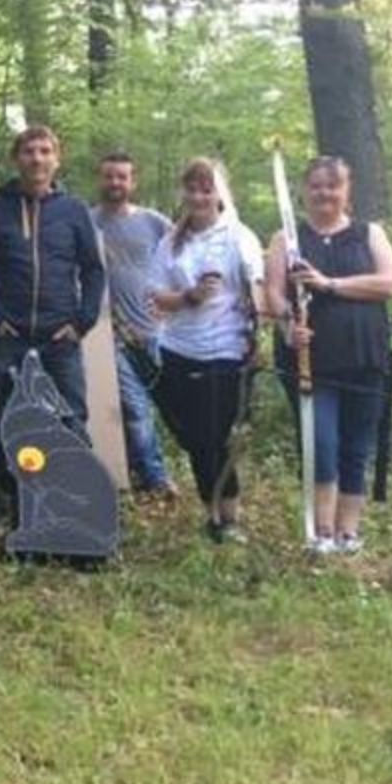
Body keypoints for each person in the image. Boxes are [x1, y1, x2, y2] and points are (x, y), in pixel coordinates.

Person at [0, 126, 105, 541]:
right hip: (7, 337)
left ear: (56, 159)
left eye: (45, 151)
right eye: (28, 151)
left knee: (70, 420)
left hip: (59, 339)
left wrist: (81, 321)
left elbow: (93, 270)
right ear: (16, 158)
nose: (37, 159)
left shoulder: (74, 211)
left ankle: (78, 513)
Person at [265, 156, 392, 554]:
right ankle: (321, 530)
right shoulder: (286, 239)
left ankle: (348, 532)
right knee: (321, 445)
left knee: (356, 446)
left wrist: (329, 284)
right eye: (316, 185)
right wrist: (288, 324)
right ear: (304, 191)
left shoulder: (369, 233)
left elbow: (388, 283)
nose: (324, 193)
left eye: (332, 185)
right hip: (310, 363)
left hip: (365, 356)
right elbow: (273, 293)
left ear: (346, 190)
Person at [147, 158, 264, 544]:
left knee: (213, 438)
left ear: (220, 194)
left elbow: (257, 292)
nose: (198, 197)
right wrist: (189, 296)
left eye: (206, 189)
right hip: (177, 349)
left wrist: (259, 329)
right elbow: (157, 296)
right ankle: (211, 513)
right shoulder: (171, 241)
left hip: (224, 352)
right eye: (192, 189)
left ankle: (227, 519)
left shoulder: (239, 237)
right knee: (192, 438)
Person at [91, 153, 179, 498]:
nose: (115, 183)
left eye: (122, 177)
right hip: (110, 334)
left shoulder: (155, 222)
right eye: (109, 176)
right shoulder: (86, 222)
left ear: (133, 181)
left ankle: (138, 466)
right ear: (100, 179)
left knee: (168, 405)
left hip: (157, 332)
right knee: (135, 407)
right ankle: (155, 478)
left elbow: (181, 262)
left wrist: (173, 305)